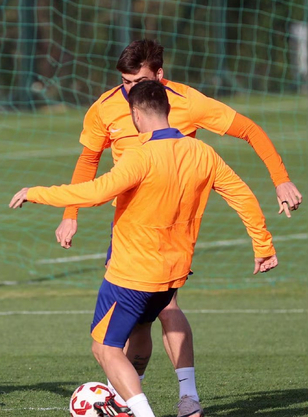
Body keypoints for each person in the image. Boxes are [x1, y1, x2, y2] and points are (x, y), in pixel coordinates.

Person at [53, 39, 301, 417]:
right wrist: (70, 213)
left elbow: (249, 129)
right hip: (130, 228)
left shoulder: (186, 102)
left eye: (138, 82)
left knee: (164, 308)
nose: (129, 91)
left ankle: (186, 397)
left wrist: (280, 179)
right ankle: (131, 397)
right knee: (139, 324)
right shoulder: (105, 107)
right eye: (124, 82)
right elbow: (89, 160)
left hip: (171, 228)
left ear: (159, 75)